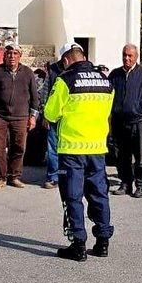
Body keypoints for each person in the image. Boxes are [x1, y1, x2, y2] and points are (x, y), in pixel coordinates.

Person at [43, 48, 115, 261]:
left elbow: (50, 113)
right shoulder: (105, 81)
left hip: (73, 149)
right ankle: (102, 242)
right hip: (97, 148)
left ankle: (78, 244)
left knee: (72, 196)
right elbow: (108, 112)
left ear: (66, 61)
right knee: (99, 194)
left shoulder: (66, 80)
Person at [0, 44, 39, 189]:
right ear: (4, 56)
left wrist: (33, 116)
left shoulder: (27, 73)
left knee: (19, 147)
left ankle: (14, 176)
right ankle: (0, 177)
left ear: (20, 56)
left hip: (21, 117)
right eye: (9, 53)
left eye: (15, 53)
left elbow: (34, 96)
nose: (12, 56)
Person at [108, 44, 142, 199]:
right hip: (119, 122)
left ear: (136, 57)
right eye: (124, 55)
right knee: (121, 155)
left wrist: (141, 108)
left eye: (130, 56)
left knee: (139, 155)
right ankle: (125, 183)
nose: (126, 58)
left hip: (139, 122)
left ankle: (141, 185)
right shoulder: (115, 75)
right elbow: (107, 94)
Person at [40, 42, 85, 189]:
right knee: (53, 148)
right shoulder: (53, 70)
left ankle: (70, 175)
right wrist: (45, 114)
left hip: (73, 117)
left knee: (72, 149)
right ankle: (53, 177)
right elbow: (45, 92)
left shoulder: (82, 71)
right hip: (55, 116)